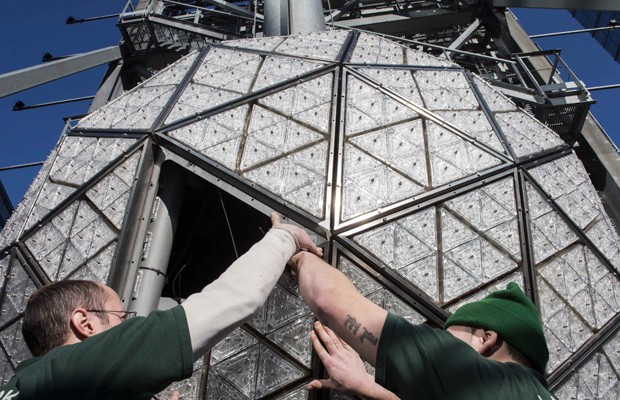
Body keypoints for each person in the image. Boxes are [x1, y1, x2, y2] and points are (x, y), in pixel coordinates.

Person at [0, 213, 321, 400]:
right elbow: (229, 302)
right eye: (121, 318)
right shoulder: (67, 374)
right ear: (85, 323)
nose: (130, 326)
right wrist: (283, 237)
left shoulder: (28, 388)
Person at [290, 251, 553, 400]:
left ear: (486, 339)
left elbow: (328, 300)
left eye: (448, 337)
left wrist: (295, 252)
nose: (442, 340)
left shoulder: (485, 381)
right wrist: (365, 386)